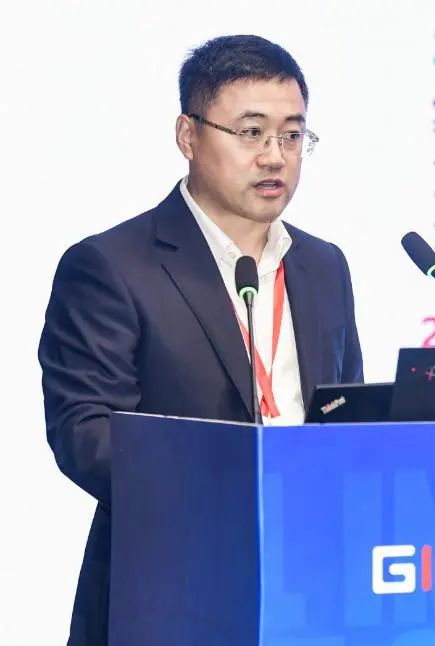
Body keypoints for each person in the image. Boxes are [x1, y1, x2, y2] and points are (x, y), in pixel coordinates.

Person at [38, 34, 363, 645]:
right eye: (251, 132)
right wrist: (238, 488)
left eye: (293, 135)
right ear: (188, 135)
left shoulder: (324, 266)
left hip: (312, 587)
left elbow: (344, 415)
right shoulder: (112, 266)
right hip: (171, 594)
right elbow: (87, 434)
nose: (275, 156)